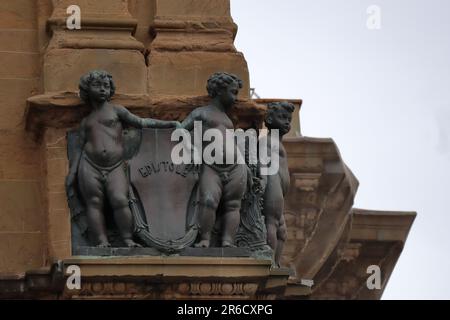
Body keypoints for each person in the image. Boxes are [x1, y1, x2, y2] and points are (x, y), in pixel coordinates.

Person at [66, 70, 180, 248]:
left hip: (114, 165)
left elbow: (141, 122)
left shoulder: (116, 110)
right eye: (97, 86)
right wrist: (72, 173)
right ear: (87, 90)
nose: (103, 89)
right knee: (94, 203)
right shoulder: (86, 121)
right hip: (89, 165)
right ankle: (101, 241)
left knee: (120, 199)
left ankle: (127, 239)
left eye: (106, 86)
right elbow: (80, 146)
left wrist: (169, 124)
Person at [180, 72, 247, 248]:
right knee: (208, 201)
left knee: (233, 205)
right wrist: (192, 149)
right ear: (219, 91)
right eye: (233, 92)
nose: (235, 98)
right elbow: (180, 130)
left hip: (235, 167)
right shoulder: (201, 113)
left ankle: (227, 241)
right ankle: (205, 239)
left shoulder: (228, 119)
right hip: (211, 166)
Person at [261, 101, 294, 266]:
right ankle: (270, 262)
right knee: (272, 223)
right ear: (269, 118)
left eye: (289, 118)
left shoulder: (277, 142)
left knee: (282, 232)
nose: (287, 121)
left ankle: (276, 262)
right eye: (282, 117)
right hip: (272, 184)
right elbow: (263, 165)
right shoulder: (267, 141)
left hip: (279, 188)